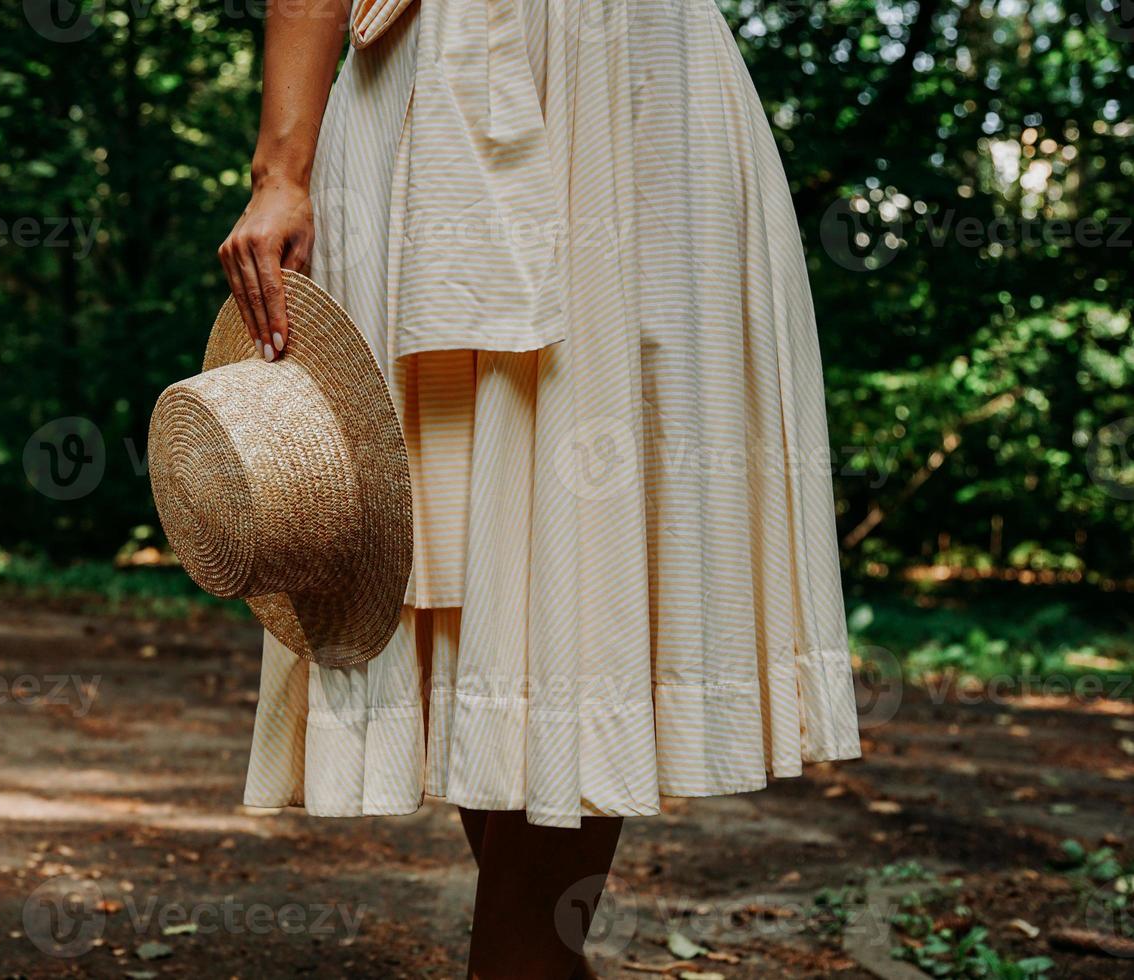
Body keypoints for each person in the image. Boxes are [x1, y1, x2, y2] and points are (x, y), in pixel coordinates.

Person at [217, 2, 862, 976]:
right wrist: (282, 171)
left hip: (634, 92)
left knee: (582, 557)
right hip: (420, 88)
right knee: (461, 566)